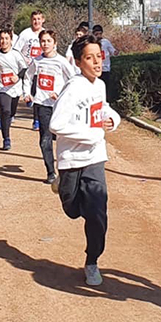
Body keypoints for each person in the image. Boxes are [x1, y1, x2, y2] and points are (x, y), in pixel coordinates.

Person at [50, 34, 120, 287]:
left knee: (98, 212)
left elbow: (104, 109)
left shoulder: (99, 86)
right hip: (71, 159)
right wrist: (91, 133)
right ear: (79, 62)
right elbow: (55, 124)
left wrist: (113, 120)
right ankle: (64, 186)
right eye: (89, 58)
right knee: (72, 210)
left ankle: (92, 261)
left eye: (99, 57)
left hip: (95, 158)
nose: (96, 62)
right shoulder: (74, 87)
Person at [24, 30, 74, 184]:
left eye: (48, 41)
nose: (45, 44)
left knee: (62, 139)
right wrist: (27, 93)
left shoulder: (62, 61)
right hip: (42, 104)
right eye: (43, 41)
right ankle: (50, 172)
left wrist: (60, 94)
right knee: (45, 140)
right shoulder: (37, 61)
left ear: (55, 43)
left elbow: (73, 80)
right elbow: (28, 76)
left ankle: (66, 171)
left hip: (60, 106)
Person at [0, 29, 27, 151]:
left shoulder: (16, 54)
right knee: (5, 111)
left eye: (6, 38)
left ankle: (8, 119)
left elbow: (24, 69)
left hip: (15, 88)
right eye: (1, 38)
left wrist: (17, 76)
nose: (4, 41)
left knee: (11, 112)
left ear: (11, 40)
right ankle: (6, 139)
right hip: (2, 86)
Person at [14, 10, 46, 131]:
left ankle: (36, 120)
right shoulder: (25, 34)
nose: (36, 21)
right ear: (31, 20)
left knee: (38, 94)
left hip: (40, 68)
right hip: (27, 68)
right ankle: (28, 97)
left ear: (43, 20)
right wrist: (23, 60)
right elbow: (16, 50)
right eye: (34, 19)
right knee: (31, 91)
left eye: (39, 19)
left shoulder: (45, 33)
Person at [91, 24, 118, 99]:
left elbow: (113, 51)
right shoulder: (92, 43)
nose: (99, 36)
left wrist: (115, 52)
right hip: (95, 70)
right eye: (96, 34)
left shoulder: (105, 42)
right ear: (93, 34)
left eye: (100, 34)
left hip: (105, 69)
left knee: (105, 88)